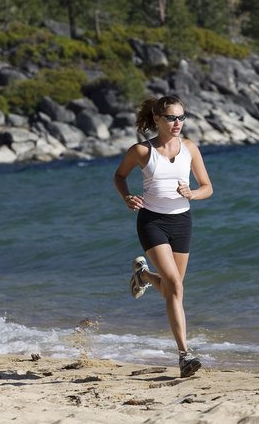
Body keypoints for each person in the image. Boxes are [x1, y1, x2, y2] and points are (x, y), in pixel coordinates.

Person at [113, 95, 213, 378]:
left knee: (173, 288)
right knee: (175, 287)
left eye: (182, 117)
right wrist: (126, 197)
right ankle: (184, 354)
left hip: (182, 221)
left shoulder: (190, 148)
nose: (177, 123)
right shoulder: (142, 151)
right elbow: (119, 176)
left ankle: (142, 276)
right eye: (171, 118)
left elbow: (208, 187)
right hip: (152, 221)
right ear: (157, 119)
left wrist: (192, 193)